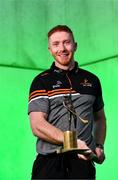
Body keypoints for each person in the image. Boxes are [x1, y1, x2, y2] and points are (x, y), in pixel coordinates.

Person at [28, 25, 106, 179]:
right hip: (49, 164)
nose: (62, 48)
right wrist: (74, 143)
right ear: (50, 49)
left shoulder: (92, 80)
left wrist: (99, 145)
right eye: (56, 44)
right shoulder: (41, 81)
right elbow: (37, 125)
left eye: (66, 42)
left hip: (83, 164)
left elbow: (100, 118)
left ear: (75, 46)